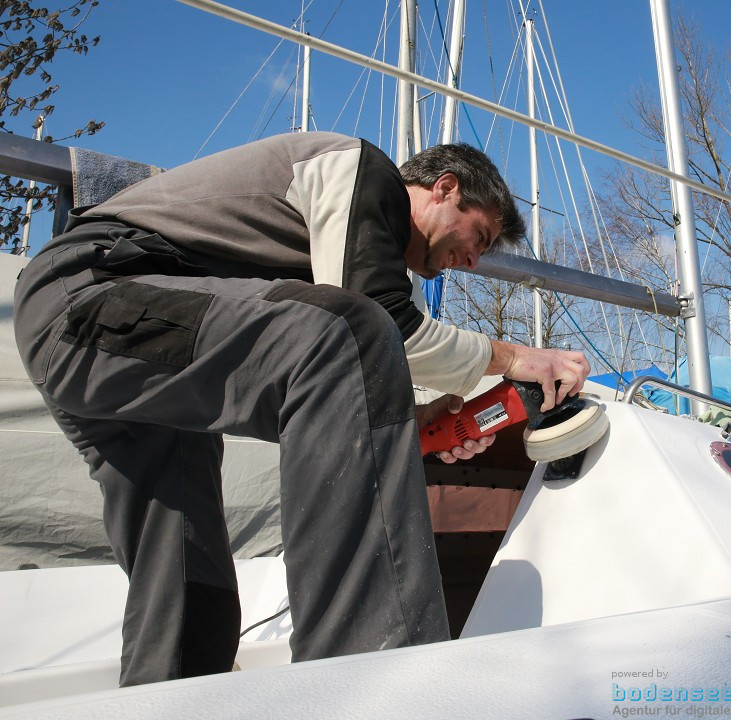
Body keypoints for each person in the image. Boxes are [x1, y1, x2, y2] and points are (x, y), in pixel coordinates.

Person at [12, 132, 589, 687]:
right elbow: (375, 323)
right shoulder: (363, 172)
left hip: (132, 340)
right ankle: (376, 688)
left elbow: (358, 384)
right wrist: (515, 357)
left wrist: (417, 424)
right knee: (350, 333)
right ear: (444, 188)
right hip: (93, 296)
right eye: (480, 236)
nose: (473, 262)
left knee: (183, 563)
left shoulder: (352, 263)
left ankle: (172, 700)